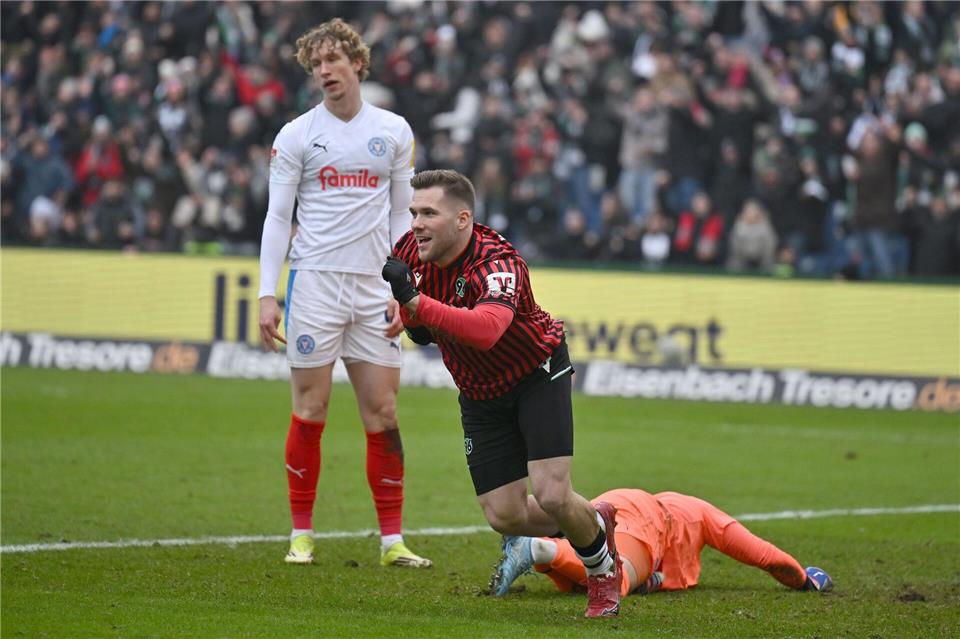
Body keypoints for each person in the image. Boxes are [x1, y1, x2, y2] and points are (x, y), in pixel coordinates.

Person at [381, 169, 624, 618]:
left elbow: (487, 330)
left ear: (462, 219)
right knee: (504, 517)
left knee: (552, 494)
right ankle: (593, 519)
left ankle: (603, 572)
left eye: (429, 213)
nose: (416, 223)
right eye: (414, 212)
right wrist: (406, 312)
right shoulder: (409, 252)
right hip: (479, 390)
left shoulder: (498, 263)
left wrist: (415, 303)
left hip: (536, 374)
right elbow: (423, 333)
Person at [257, 18, 430, 569]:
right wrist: (267, 293)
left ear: (357, 62)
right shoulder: (296, 135)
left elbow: (404, 215)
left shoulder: (394, 131)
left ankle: (392, 542)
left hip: (374, 288)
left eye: (333, 59)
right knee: (310, 408)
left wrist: (404, 286)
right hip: (315, 284)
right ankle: (301, 534)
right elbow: (278, 217)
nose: (324, 70)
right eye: (316, 64)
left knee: (384, 410)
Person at [490, 487, 834, 599]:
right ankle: (541, 547)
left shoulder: (685, 511)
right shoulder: (698, 514)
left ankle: (542, 548)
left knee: (579, 583)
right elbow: (763, 555)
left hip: (608, 502)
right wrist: (805, 579)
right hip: (645, 521)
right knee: (613, 583)